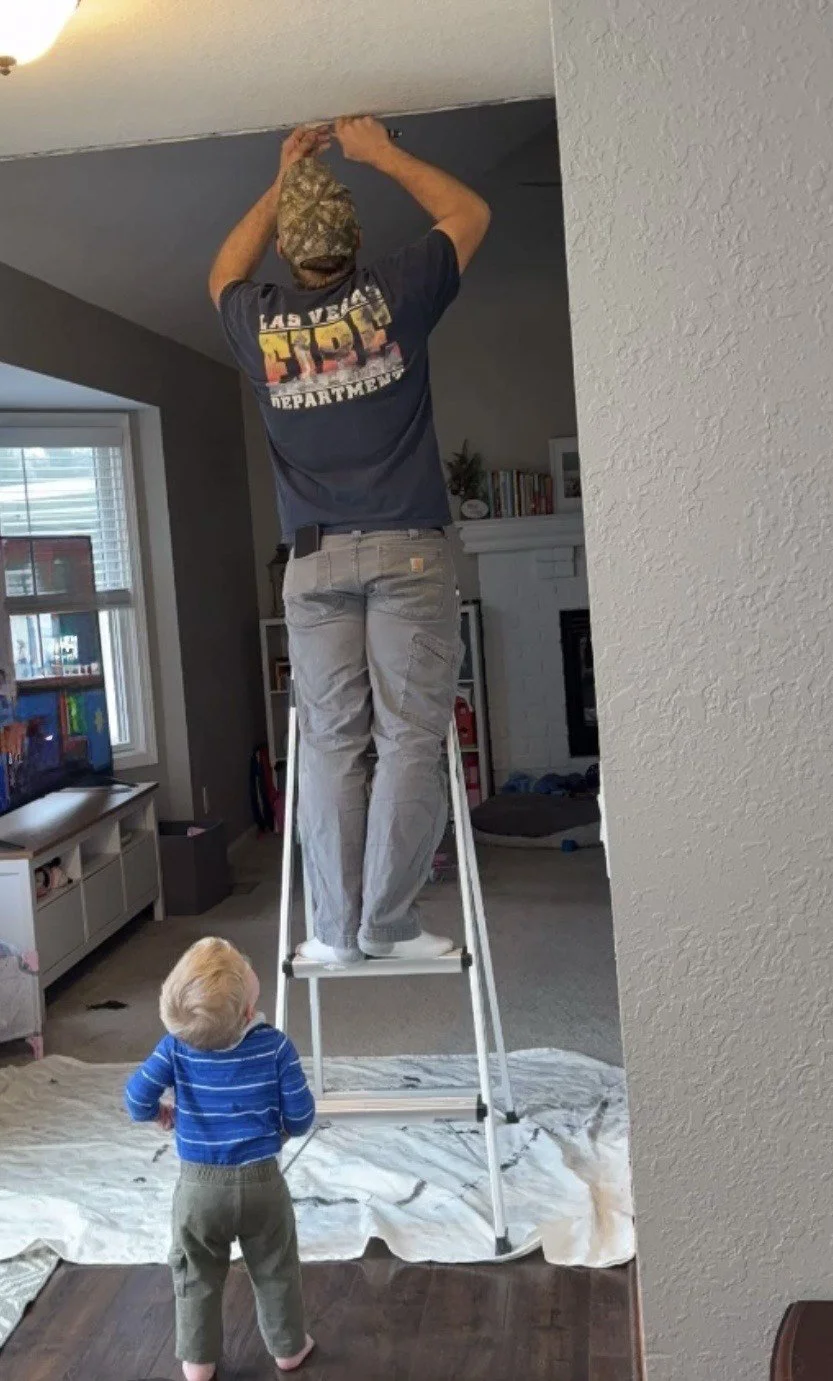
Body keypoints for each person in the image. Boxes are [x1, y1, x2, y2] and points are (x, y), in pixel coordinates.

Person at [209, 116, 491, 965]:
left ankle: (333, 931)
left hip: (316, 560)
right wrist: (381, 153)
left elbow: (222, 270)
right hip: (407, 550)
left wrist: (281, 179)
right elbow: (469, 214)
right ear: (356, 242)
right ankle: (388, 922)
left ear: (292, 255)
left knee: (333, 742)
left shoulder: (258, 320)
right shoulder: (394, 293)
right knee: (409, 737)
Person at [124, 938, 316, 1381]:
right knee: (276, 1268)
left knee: (195, 1273)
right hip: (263, 1184)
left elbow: (136, 1101)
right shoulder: (275, 1047)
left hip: (198, 1191)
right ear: (249, 1013)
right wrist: (279, 1131)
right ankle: (288, 1348)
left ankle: (197, 1361)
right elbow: (302, 1117)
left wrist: (160, 1114)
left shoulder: (174, 1047)